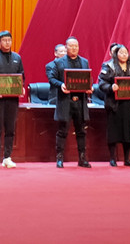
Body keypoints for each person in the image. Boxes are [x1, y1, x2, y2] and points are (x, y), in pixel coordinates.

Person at [48, 37, 92, 168]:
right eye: (71, 46)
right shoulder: (59, 62)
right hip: (65, 101)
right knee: (62, 131)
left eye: (76, 46)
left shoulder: (84, 62)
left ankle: (82, 159)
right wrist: (61, 85)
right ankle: (59, 158)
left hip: (80, 102)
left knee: (81, 131)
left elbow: (88, 78)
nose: (74, 48)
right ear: (66, 47)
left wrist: (90, 87)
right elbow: (51, 78)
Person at [97, 44, 130, 166]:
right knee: (114, 132)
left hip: (129, 104)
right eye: (121, 53)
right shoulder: (108, 66)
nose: (124, 55)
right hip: (115, 105)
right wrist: (111, 87)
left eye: (125, 53)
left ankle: (127, 159)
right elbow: (101, 83)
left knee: (128, 132)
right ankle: (113, 158)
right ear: (115, 54)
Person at [0, 30, 24, 169]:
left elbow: (21, 75)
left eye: (9, 40)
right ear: (0, 42)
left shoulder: (17, 57)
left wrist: (21, 87)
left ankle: (7, 157)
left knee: (10, 128)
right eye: (4, 40)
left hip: (13, 99)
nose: (7, 43)